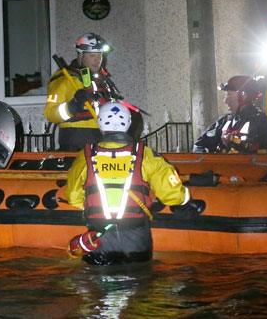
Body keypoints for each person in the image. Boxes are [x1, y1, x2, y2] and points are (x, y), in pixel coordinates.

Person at [65, 101, 191, 265]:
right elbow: (172, 196)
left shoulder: (86, 156)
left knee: (99, 286)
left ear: (100, 123)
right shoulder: (146, 155)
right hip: (136, 243)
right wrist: (186, 198)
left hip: (100, 242)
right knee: (139, 284)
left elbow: (73, 196)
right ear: (129, 123)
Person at [45, 33, 120, 151]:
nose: (97, 60)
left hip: (102, 137)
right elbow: (50, 113)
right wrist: (72, 106)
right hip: (75, 138)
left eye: (100, 55)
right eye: (92, 55)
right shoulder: (64, 79)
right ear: (81, 55)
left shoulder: (101, 80)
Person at [194, 75, 267, 154]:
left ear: (243, 96)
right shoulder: (224, 122)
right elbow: (199, 146)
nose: (225, 100)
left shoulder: (263, 124)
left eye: (229, 95)